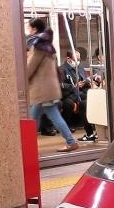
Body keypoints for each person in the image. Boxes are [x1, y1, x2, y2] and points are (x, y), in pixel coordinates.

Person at [25, 18, 77, 152]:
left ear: (35, 29)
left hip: (42, 90)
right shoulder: (48, 45)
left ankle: (70, 142)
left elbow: (30, 67)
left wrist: (21, 79)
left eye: (29, 28)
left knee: (48, 116)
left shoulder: (38, 46)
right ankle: (29, 147)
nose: (28, 30)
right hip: (48, 88)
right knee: (34, 118)